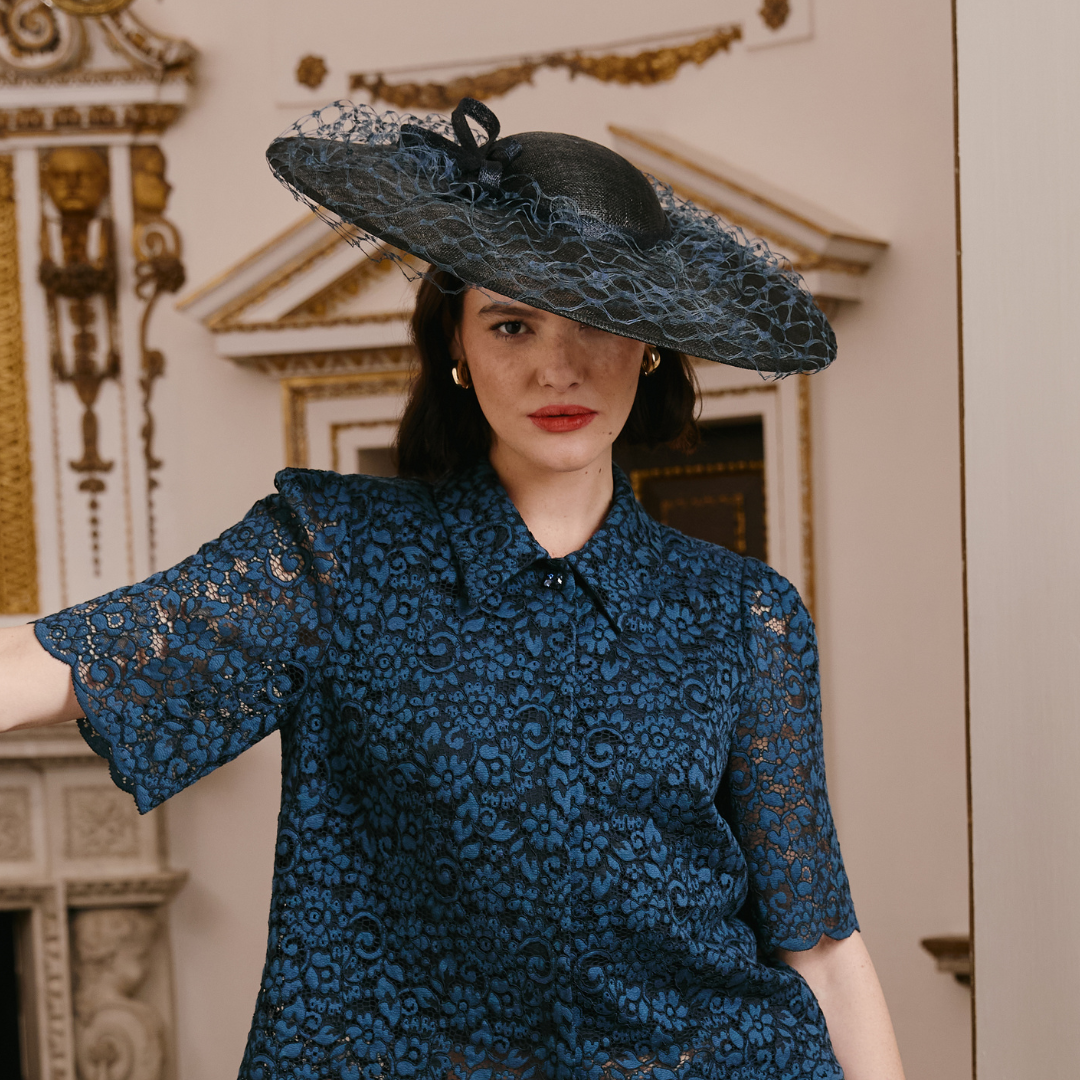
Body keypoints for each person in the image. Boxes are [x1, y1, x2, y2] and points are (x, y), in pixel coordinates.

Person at [0, 99, 904, 1080]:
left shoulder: (744, 614)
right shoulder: (336, 557)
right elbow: (62, 662)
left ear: (649, 345)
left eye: (598, 320)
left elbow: (821, 944)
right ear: (458, 352)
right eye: (512, 324)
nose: (557, 367)